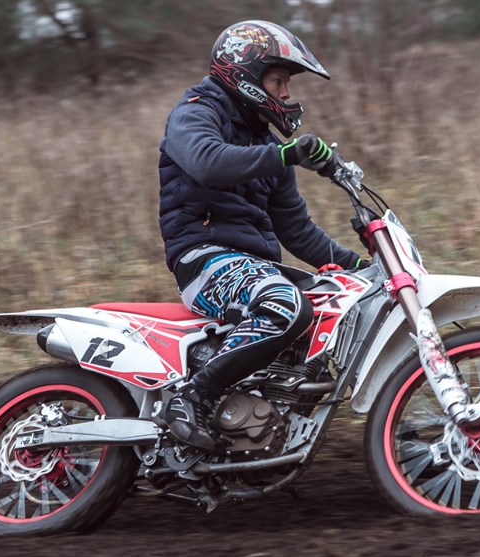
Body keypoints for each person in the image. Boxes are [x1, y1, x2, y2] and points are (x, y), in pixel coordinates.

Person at [157, 20, 366, 452]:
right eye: (278, 81)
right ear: (246, 74)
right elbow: (208, 162)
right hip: (204, 260)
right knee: (285, 305)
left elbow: (297, 231)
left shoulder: (268, 147)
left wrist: (364, 268)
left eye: (287, 84)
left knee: (342, 307)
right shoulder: (195, 112)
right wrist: (284, 154)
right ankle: (192, 397)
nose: (286, 94)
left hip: (256, 266)